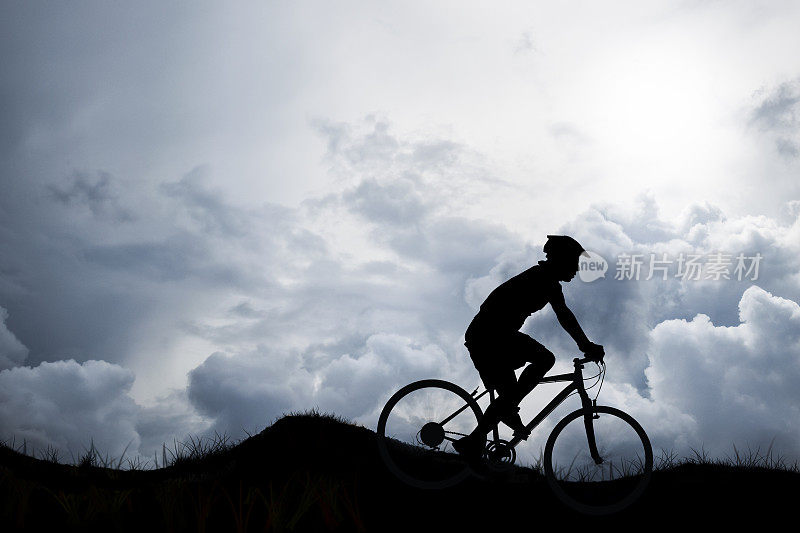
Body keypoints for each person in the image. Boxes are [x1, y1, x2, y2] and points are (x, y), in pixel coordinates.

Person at [453, 235, 604, 459]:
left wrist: (586, 345)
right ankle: (501, 416)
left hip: (490, 336)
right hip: (490, 336)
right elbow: (565, 317)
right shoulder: (543, 279)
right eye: (574, 263)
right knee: (544, 360)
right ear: (561, 260)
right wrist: (587, 346)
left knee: (508, 400)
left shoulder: (545, 280)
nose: (577, 270)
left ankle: (474, 441)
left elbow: (565, 316)